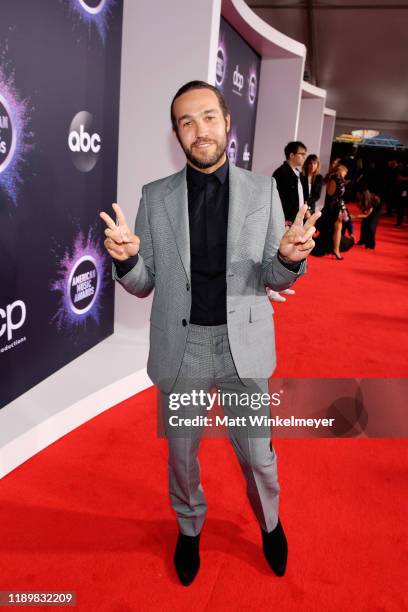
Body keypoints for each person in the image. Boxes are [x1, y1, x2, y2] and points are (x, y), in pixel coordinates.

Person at [100, 81, 320, 586]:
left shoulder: (263, 191)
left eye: (208, 117)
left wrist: (288, 258)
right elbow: (143, 282)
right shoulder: (155, 198)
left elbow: (274, 274)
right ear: (177, 133)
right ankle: (189, 527)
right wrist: (128, 258)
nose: (200, 130)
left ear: (226, 122)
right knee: (181, 456)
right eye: (186, 122)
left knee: (259, 454)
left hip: (243, 346)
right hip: (184, 351)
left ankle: (270, 522)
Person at [268, 142, 308, 302]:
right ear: (291, 155)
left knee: (289, 253)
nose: (304, 157)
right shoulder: (281, 173)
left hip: (294, 218)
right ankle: (271, 288)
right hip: (284, 219)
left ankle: (281, 284)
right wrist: (283, 219)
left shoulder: (295, 172)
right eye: (301, 154)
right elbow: (277, 198)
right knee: (277, 252)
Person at [313, 164, 351, 259]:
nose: (345, 174)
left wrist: (342, 208)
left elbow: (338, 196)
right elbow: (330, 194)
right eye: (345, 172)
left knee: (338, 229)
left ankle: (336, 250)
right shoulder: (334, 179)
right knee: (333, 229)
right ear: (340, 170)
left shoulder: (340, 181)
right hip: (332, 209)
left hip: (337, 207)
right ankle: (334, 249)